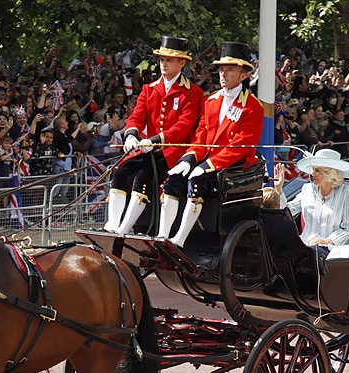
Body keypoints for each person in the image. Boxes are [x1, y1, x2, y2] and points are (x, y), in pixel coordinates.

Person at [158, 42, 262, 247]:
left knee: (198, 182)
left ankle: (179, 239)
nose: (223, 74)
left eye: (230, 70)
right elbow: (201, 137)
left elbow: (241, 146)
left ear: (243, 75)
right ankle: (162, 237)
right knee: (173, 179)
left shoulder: (253, 107)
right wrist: (189, 159)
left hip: (234, 166)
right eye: (222, 70)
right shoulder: (210, 101)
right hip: (208, 160)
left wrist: (208, 165)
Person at [104, 36, 204, 233]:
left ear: (181, 63)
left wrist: (153, 140)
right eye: (162, 60)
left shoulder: (193, 92)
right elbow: (137, 117)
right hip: (148, 149)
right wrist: (131, 135)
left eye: (169, 60)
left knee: (142, 177)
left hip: (173, 153)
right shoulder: (149, 89)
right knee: (121, 171)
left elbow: (183, 127)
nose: (163, 64)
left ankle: (124, 229)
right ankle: (113, 224)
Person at [284, 148, 349, 251]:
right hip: (306, 247)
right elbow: (287, 210)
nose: (312, 174)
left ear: (330, 174)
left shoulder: (345, 192)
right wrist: (279, 191)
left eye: (317, 170)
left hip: (333, 250)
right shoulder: (307, 189)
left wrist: (328, 241)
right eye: (313, 169)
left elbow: (348, 227)